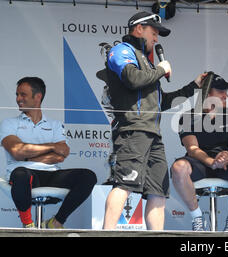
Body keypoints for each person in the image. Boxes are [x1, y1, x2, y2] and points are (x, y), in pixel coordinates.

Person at [102, 11, 205, 230]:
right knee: (125, 184)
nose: (156, 38)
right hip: (133, 129)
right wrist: (160, 69)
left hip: (152, 133)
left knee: (158, 190)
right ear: (139, 29)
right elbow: (132, 78)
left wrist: (193, 86)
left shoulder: (148, 65)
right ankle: (106, 233)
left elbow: (162, 101)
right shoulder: (121, 50)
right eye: (154, 32)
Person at [0, 77, 97, 229]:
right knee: (20, 173)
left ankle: (56, 222)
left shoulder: (55, 125)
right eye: (17, 95)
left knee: (88, 176)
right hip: (24, 175)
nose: (18, 99)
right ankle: (28, 224)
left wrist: (27, 154)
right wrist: (52, 146)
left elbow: (61, 154)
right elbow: (17, 151)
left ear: (37, 97)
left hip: (51, 174)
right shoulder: (9, 123)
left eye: (23, 94)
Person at [171, 74, 228, 232]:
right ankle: (197, 219)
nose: (226, 95)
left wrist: (227, 156)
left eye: (226, 91)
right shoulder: (188, 116)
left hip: (227, 163)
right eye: (221, 91)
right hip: (199, 163)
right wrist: (211, 162)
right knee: (178, 167)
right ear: (207, 94)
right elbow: (192, 149)